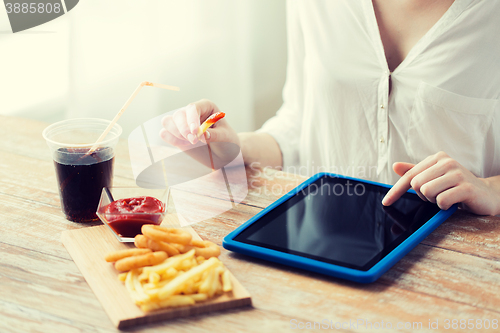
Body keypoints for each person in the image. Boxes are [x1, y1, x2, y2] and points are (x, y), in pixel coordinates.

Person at [160, 0, 500, 216]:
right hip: (324, 248)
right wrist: (234, 148)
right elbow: (300, 122)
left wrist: (492, 189)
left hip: (459, 259)